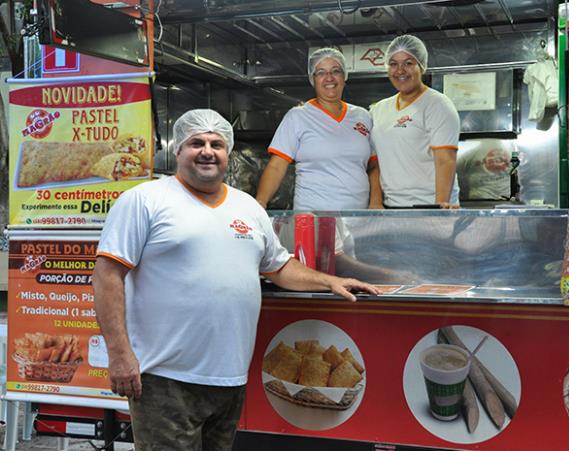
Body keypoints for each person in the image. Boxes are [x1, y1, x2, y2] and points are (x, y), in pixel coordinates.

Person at [92, 109, 379, 451]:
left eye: (216, 143)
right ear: (178, 152)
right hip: (165, 377)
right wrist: (120, 354)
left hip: (229, 378)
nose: (207, 151)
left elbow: (279, 267)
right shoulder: (144, 200)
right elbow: (107, 276)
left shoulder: (248, 208)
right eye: (196, 143)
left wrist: (330, 281)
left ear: (227, 153)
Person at [256, 47, 379, 210]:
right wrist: (260, 203)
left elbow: (374, 166)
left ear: (344, 76)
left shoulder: (363, 116)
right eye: (321, 72)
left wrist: (376, 203)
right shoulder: (298, 117)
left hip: (358, 218)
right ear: (312, 79)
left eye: (336, 71)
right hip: (311, 218)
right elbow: (276, 166)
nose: (329, 78)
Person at [369, 34, 461, 209]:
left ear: (422, 66)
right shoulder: (379, 109)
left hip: (426, 207)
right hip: (391, 207)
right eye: (393, 64)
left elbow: (445, 160)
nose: (400, 70)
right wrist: (375, 202)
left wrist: (440, 207)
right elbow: (375, 163)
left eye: (408, 63)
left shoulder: (437, 104)